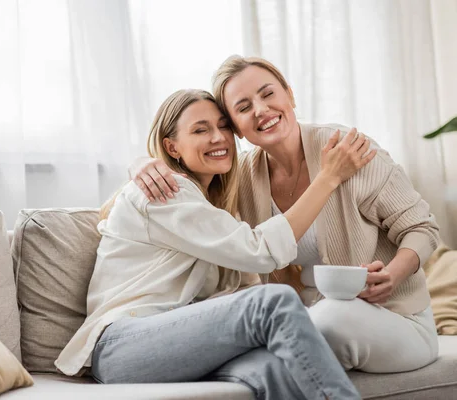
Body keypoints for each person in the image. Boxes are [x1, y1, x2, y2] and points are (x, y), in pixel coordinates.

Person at [56, 88, 374, 399]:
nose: (219, 137)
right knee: (273, 302)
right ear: (173, 147)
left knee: (273, 368)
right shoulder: (167, 190)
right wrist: (329, 177)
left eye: (223, 126)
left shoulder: (211, 208)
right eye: (200, 130)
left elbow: (239, 288)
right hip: (123, 345)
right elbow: (260, 251)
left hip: (170, 342)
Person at [130, 56, 440, 374]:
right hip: (307, 313)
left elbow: (422, 227)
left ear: (289, 95)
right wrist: (144, 162)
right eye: (243, 107)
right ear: (235, 127)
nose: (261, 110)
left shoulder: (345, 150)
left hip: (396, 318)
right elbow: (191, 204)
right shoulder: (244, 177)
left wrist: (393, 276)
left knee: (323, 320)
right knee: (281, 330)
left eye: (268, 94)